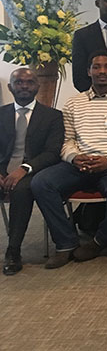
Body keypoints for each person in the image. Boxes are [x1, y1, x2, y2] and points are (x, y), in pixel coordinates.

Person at [32, 52, 107, 268]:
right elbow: (66, 140)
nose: (102, 71)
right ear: (88, 71)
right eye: (96, 67)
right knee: (41, 182)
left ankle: (100, 240)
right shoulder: (73, 103)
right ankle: (66, 243)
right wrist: (74, 158)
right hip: (77, 164)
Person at [0, 68, 64, 275]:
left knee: (22, 190)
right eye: (19, 82)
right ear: (10, 87)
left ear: (38, 86)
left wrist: (24, 169)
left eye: (29, 82)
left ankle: (13, 250)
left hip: (33, 171)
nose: (24, 86)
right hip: (3, 170)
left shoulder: (52, 116)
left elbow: (53, 153)